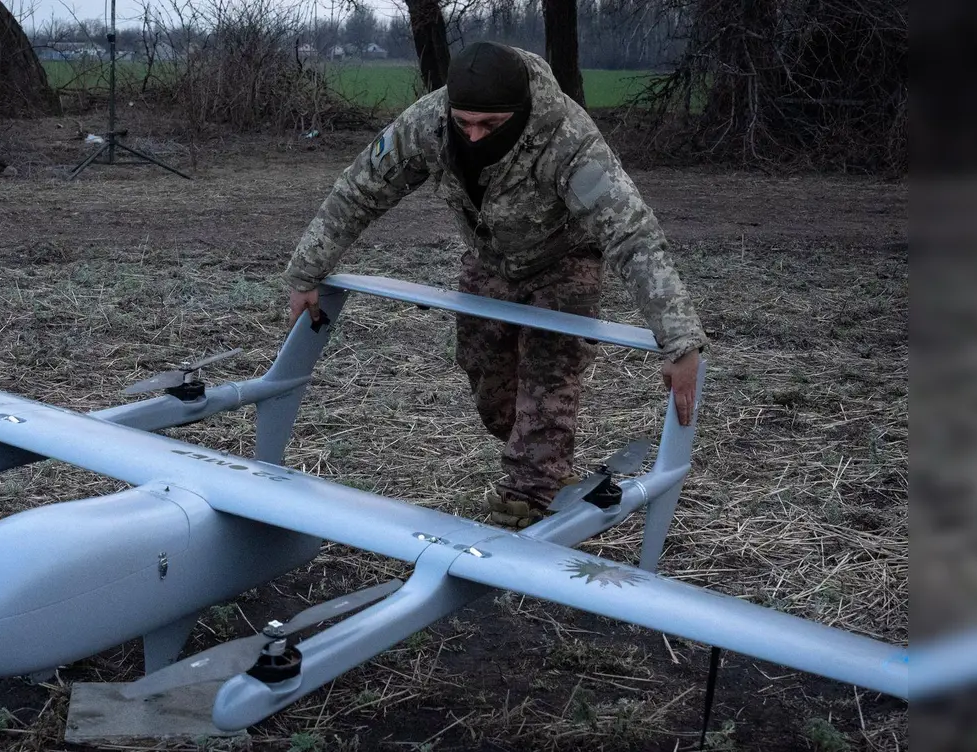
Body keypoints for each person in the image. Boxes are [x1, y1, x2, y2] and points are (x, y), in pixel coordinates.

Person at [284, 42, 709, 528]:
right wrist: (305, 272)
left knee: (548, 378)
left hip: (564, 261)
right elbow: (361, 189)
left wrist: (678, 339)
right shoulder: (427, 124)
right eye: (464, 122)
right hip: (489, 260)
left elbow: (632, 235)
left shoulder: (567, 140)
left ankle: (526, 499)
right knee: (489, 385)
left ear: (521, 112)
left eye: (490, 125)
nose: (474, 135)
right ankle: (542, 454)